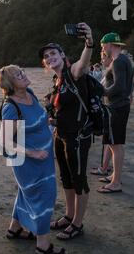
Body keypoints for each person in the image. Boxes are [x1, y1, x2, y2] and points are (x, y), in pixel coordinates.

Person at [0, 65, 68, 254]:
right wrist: (32, 153)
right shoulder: (11, 107)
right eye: (18, 75)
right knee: (44, 198)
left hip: (43, 159)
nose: (23, 75)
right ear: (11, 84)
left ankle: (15, 229)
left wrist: (50, 123)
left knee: (26, 193)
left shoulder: (29, 93)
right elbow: (4, 142)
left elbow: (37, 118)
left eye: (22, 72)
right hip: (28, 162)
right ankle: (43, 245)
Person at [39, 22, 94, 241]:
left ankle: (78, 225)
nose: (49, 57)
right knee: (66, 178)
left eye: (53, 53)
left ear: (62, 55)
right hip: (60, 136)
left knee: (79, 180)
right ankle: (70, 216)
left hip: (78, 137)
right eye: (46, 56)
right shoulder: (57, 80)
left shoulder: (73, 72)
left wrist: (89, 42)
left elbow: (84, 62)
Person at [97, 33, 134, 194]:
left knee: (114, 144)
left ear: (110, 44)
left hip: (116, 107)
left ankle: (116, 182)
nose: (103, 49)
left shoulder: (118, 61)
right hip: (121, 105)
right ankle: (115, 175)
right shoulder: (124, 60)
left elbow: (119, 86)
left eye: (103, 45)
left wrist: (102, 92)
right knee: (116, 144)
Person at [90, 52, 113, 177]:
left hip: (109, 109)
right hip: (107, 107)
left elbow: (105, 89)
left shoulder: (112, 70)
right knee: (109, 141)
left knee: (110, 141)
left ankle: (104, 168)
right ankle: (104, 167)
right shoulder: (109, 71)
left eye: (103, 57)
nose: (101, 60)